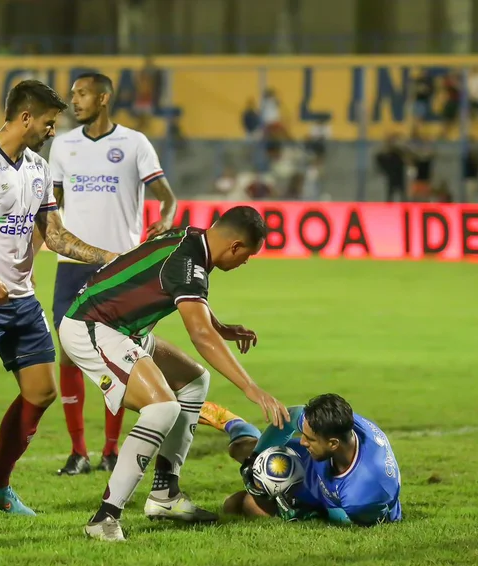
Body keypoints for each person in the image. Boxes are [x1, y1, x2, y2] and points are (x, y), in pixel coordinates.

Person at [0, 80, 118, 527]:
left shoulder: (36, 167)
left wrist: (108, 256)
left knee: (42, 391)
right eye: (50, 122)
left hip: (22, 300)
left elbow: (54, 235)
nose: (54, 131)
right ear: (26, 118)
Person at [58, 206, 289, 541]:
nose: (245, 263)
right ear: (235, 246)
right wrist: (251, 389)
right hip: (93, 327)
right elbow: (200, 335)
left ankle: (165, 494)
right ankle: (105, 517)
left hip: (125, 328)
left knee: (194, 381)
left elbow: (186, 299)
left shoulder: (192, 239)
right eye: (248, 255)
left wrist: (220, 326)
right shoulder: (188, 263)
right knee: (162, 408)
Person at [47, 72, 178, 476]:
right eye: (72, 96)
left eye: (82, 94)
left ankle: (109, 449)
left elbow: (166, 197)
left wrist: (165, 218)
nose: (75, 102)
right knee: (68, 353)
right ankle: (78, 451)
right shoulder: (62, 145)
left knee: (121, 351)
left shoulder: (134, 143)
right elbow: (50, 210)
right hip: (71, 264)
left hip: (119, 264)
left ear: (103, 98)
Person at [212, 393, 403, 526]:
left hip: (332, 498)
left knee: (238, 504)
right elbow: (291, 417)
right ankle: (233, 422)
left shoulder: (363, 493)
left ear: (333, 443)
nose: (302, 442)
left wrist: (300, 510)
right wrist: (255, 458)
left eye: (309, 438)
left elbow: (346, 519)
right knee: (242, 450)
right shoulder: (339, 423)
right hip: (318, 463)